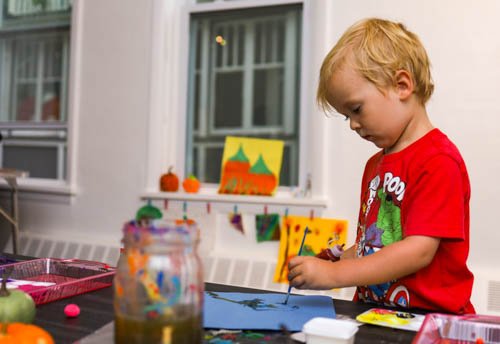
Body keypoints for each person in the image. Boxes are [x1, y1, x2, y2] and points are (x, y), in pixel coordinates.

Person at [288, 18, 475, 314]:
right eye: (345, 115)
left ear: (402, 85)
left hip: (428, 322)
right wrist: (334, 261)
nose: (351, 124)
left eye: (356, 108)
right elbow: (373, 246)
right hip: (377, 316)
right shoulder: (375, 165)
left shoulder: (439, 161)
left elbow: (418, 251)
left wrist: (334, 276)